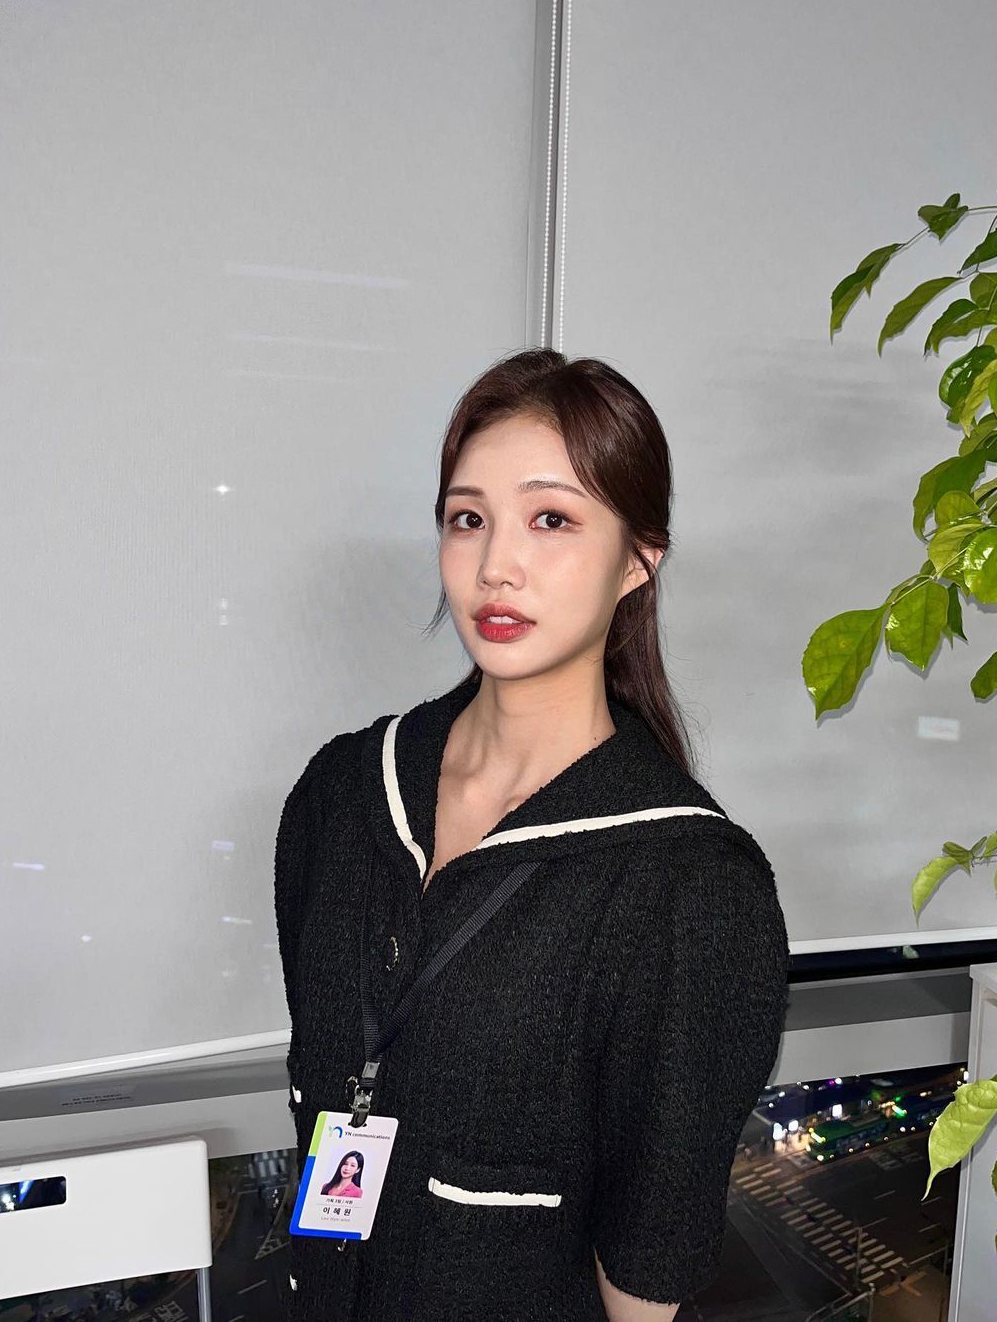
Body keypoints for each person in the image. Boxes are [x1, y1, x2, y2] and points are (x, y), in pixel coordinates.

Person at [274, 348, 791, 1321]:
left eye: (551, 519)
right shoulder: (340, 796)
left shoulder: (689, 887)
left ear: (639, 559)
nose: (495, 567)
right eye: (467, 519)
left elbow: (645, 1278)